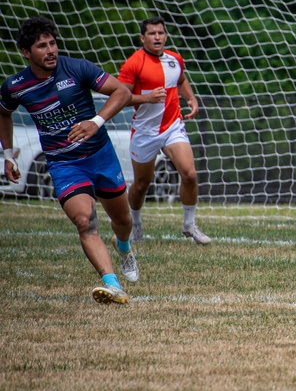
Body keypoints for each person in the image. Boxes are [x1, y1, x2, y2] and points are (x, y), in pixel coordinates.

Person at [0, 17, 138, 304]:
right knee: (84, 221)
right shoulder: (15, 86)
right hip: (65, 165)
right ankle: (113, 286)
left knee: (123, 220)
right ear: (26, 52)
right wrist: (7, 155)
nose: (50, 50)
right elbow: (3, 113)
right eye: (41, 46)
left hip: (101, 156)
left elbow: (122, 92)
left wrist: (96, 121)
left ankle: (123, 247)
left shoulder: (77, 68)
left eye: (53, 43)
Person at [118, 17, 211, 245]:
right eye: (152, 33)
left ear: (166, 36)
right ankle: (136, 224)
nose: (157, 37)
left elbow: (180, 80)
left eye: (161, 33)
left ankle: (189, 225)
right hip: (145, 131)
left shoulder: (174, 59)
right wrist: (146, 98)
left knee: (189, 173)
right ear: (142, 38)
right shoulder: (134, 63)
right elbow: (120, 97)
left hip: (172, 126)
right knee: (142, 184)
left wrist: (191, 98)